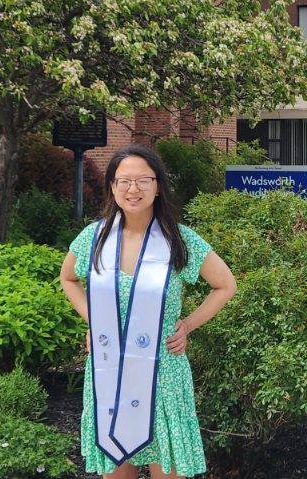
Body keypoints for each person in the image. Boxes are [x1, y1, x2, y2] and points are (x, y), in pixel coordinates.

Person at [60, 143, 237, 479]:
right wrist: (94, 320)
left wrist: (188, 324)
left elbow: (225, 285)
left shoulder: (178, 240)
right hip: (109, 372)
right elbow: (68, 278)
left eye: (143, 180)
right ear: (112, 187)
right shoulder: (93, 239)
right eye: (124, 181)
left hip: (162, 375)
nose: (133, 189)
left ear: (158, 186)